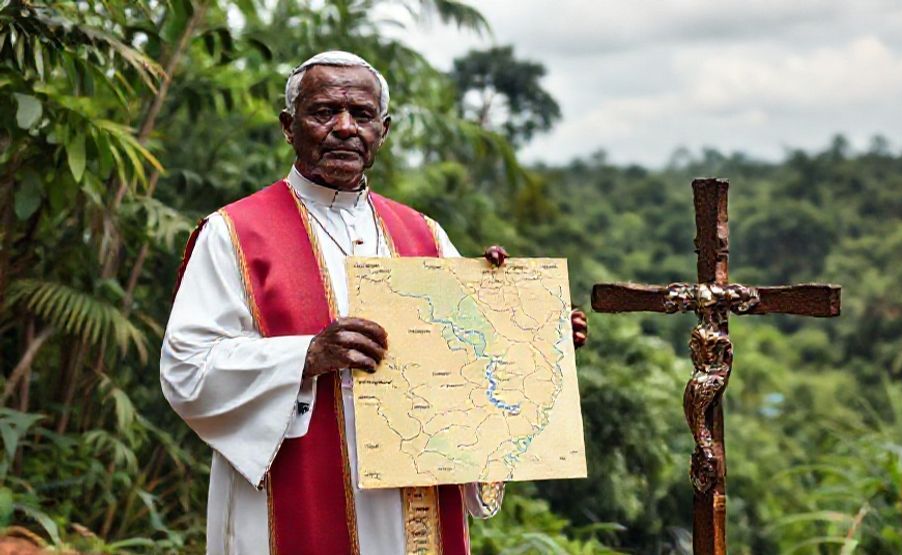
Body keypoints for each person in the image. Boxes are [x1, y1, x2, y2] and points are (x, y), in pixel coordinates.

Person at [160, 51, 589, 555]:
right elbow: (187, 368)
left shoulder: (424, 234)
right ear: (288, 126)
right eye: (323, 112)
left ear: (382, 131)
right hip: (293, 489)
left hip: (412, 491)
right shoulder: (233, 232)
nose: (344, 128)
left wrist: (534, 335)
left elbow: (467, 365)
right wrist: (305, 356)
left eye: (361, 115)